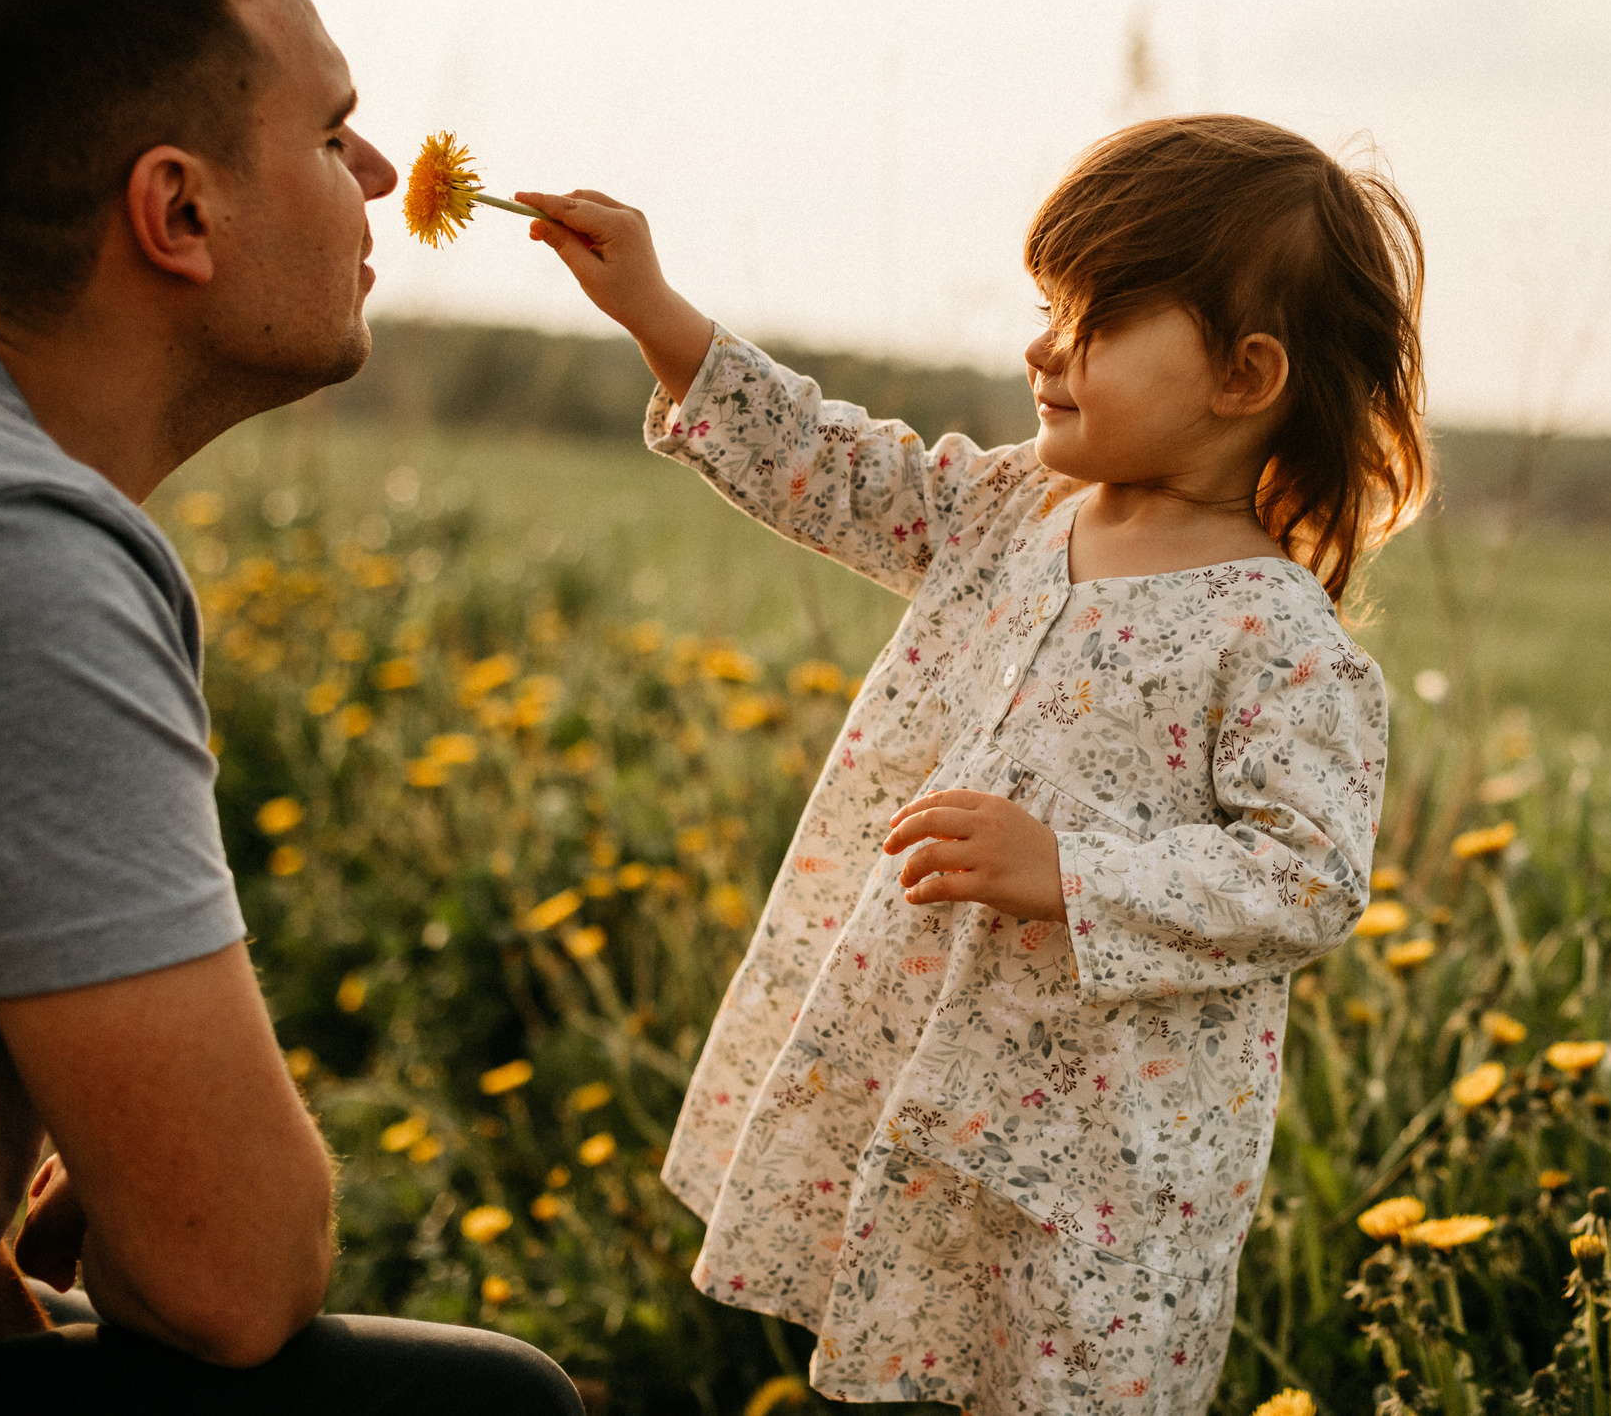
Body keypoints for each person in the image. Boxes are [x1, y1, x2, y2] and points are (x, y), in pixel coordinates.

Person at [515, 114, 1426, 1412]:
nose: (1041, 345)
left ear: (1245, 374)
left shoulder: (1275, 634)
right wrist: (657, 311)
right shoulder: (1014, 508)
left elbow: (1308, 878)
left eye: (1095, 319)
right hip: (924, 1072)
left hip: (1095, 1157)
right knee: (906, 1354)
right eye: (1048, 303)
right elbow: (839, 471)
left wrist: (1071, 872)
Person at [0, 0, 582, 1414]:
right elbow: (229, 1279)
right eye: (330, 133)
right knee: (489, 1405)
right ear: (178, 213)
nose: (377, 170)